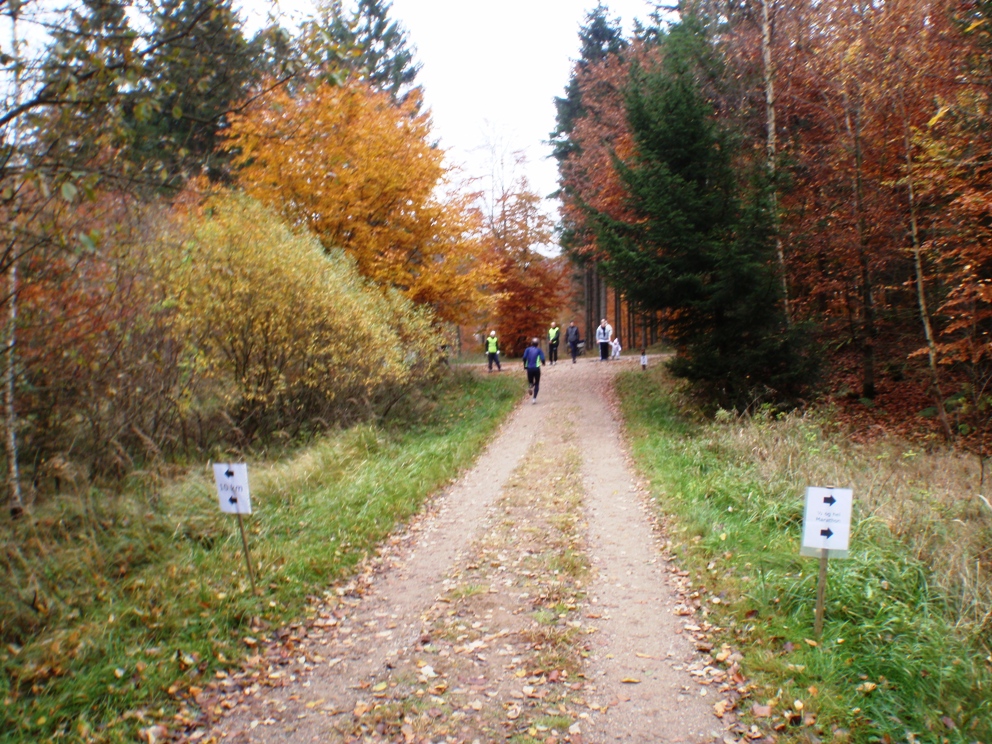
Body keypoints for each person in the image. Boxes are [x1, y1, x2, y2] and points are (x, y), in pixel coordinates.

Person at [521, 337, 546, 404]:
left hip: (529, 368)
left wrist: (525, 366)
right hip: (536, 368)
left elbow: (524, 358)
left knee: (530, 382)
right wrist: (543, 363)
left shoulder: (527, 350)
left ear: (531, 343)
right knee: (537, 383)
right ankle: (534, 399)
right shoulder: (539, 350)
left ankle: (530, 386)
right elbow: (542, 358)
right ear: (537, 344)